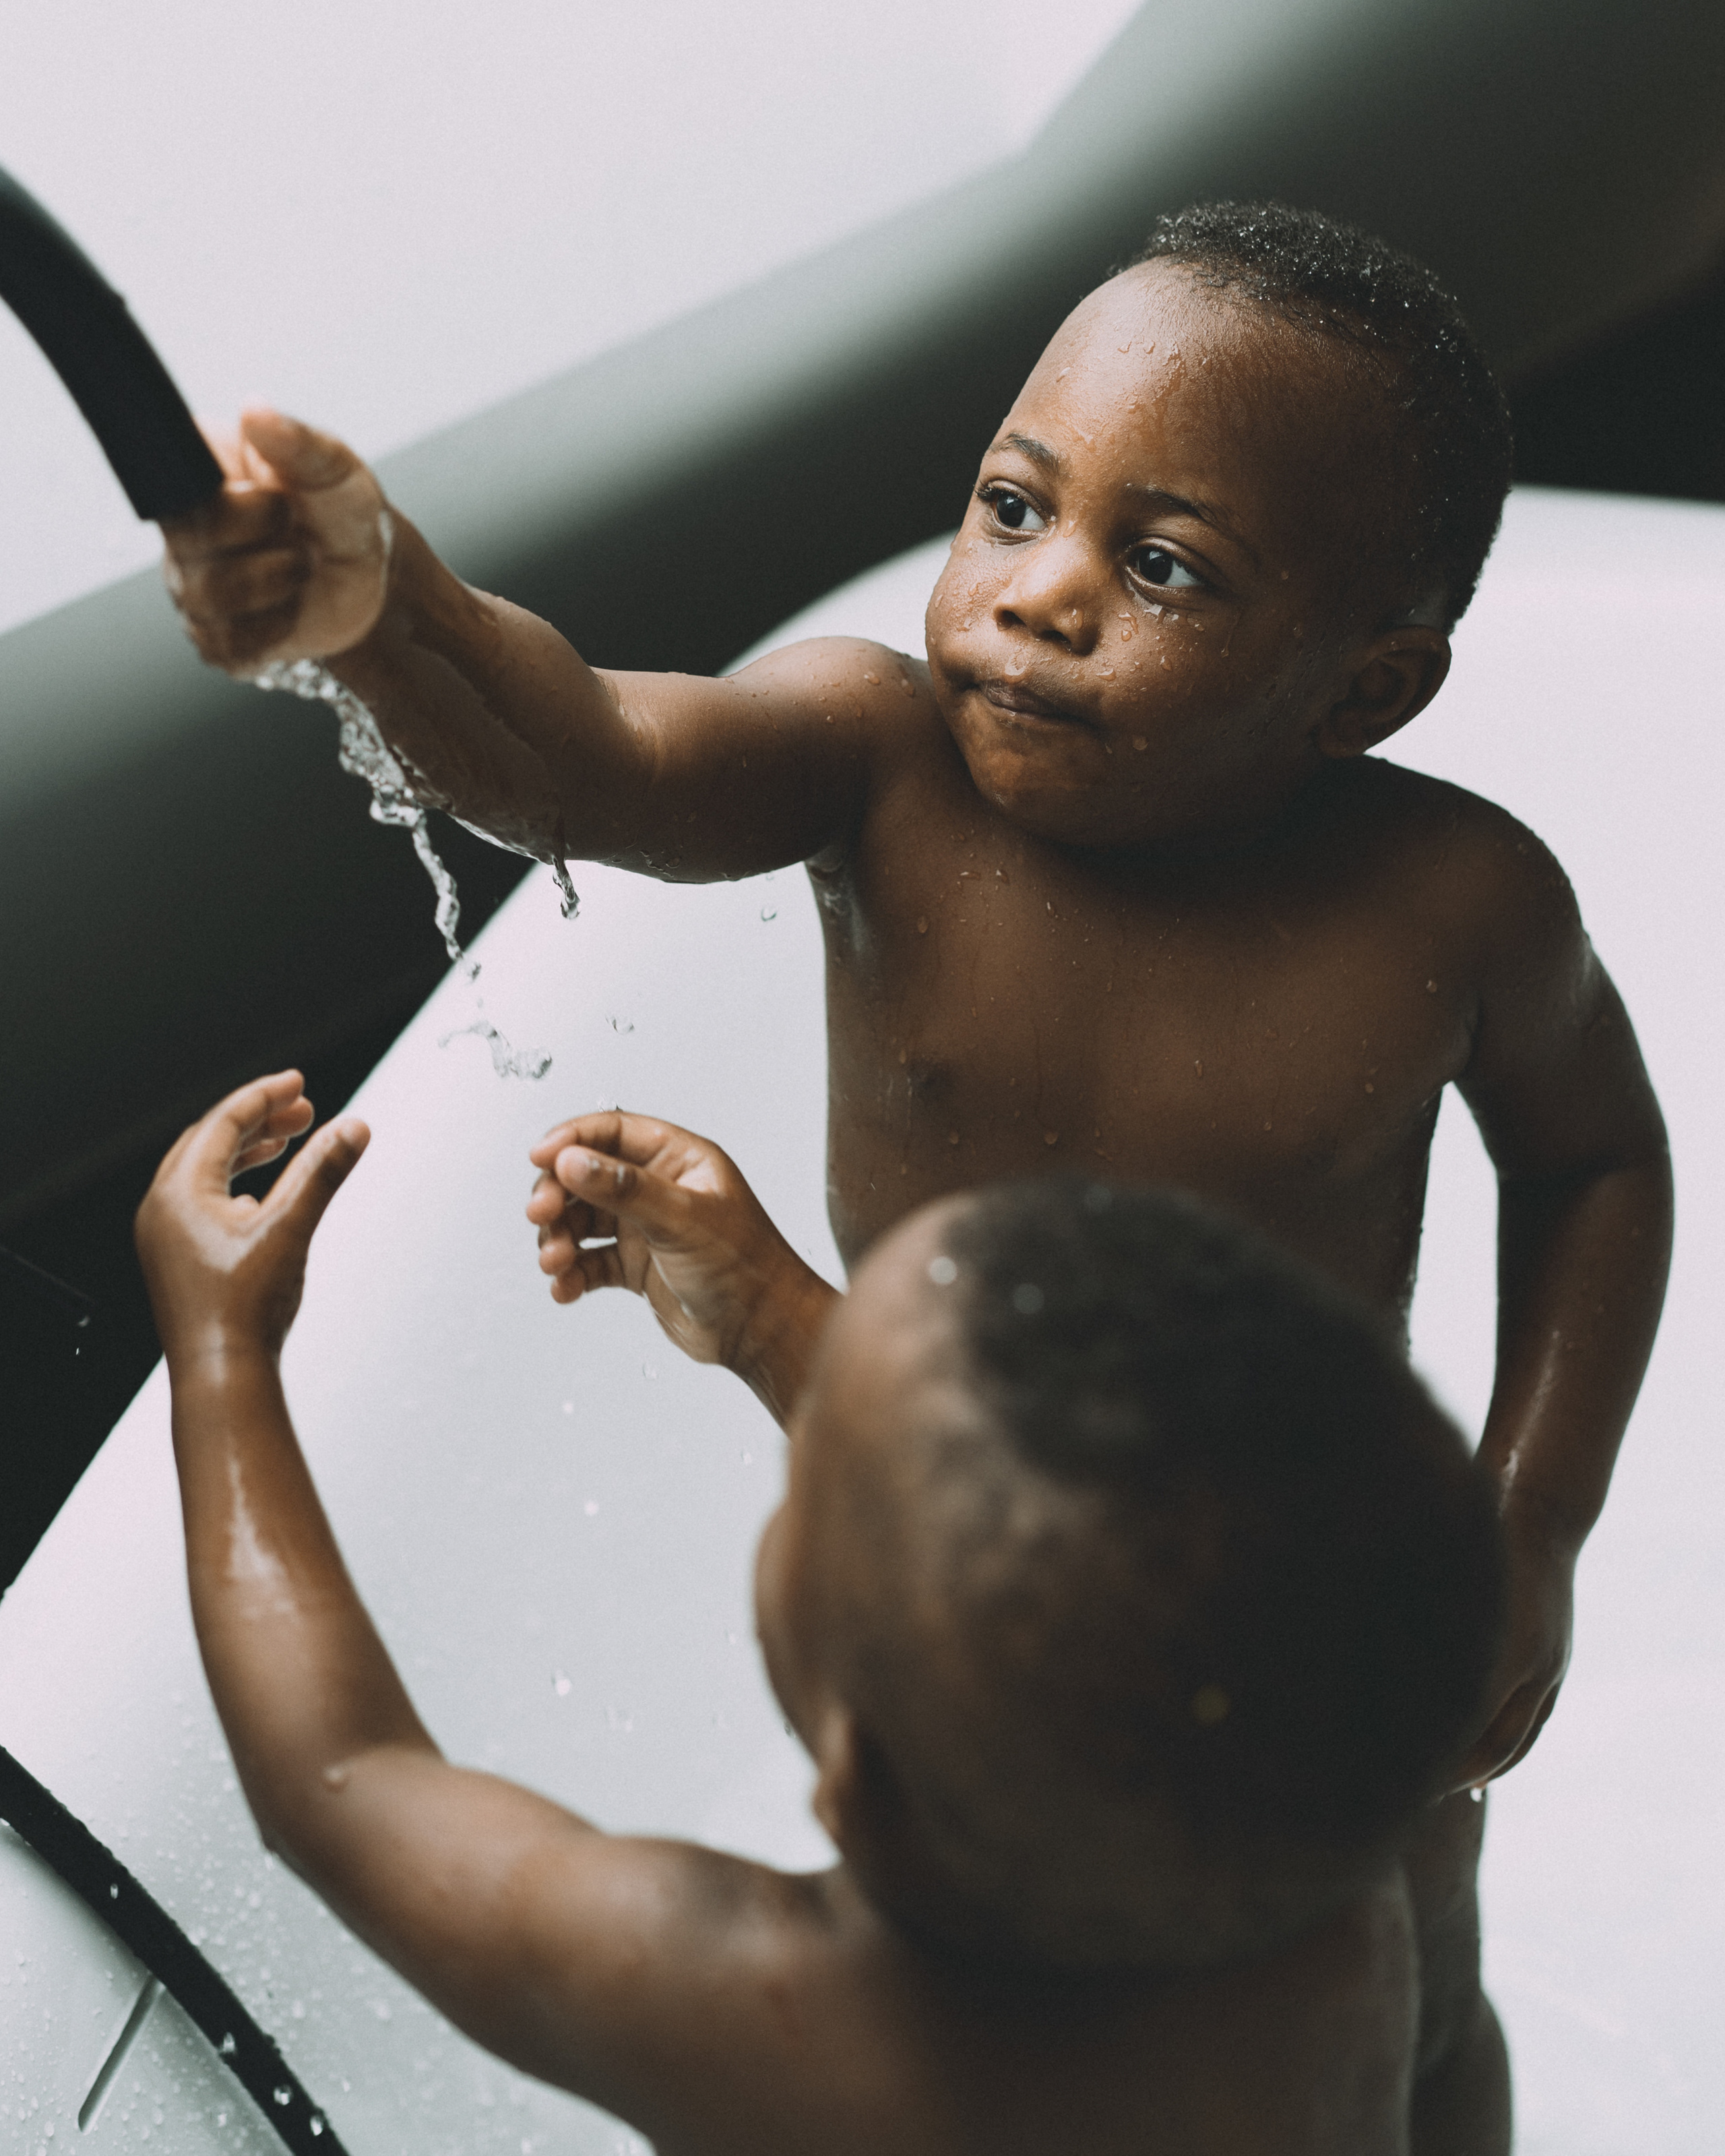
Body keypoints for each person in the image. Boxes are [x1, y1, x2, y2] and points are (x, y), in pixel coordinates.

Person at [160, 201, 1672, 2139]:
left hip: (1270, 1604)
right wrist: (393, 610)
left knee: (1439, 2016)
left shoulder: (1448, 910)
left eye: (1167, 566)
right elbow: (594, 756)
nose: (1039, 597)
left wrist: (1533, 1519)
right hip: (1241, 1627)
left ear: (1366, 691)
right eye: (1014, 504)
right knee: (1415, 2021)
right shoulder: (882, 759)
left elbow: (1596, 1161)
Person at [137, 1071, 1505, 2156]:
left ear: (848, 1779)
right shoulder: (1336, 1876)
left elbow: (340, 1780)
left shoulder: (766, 2025)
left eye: (816, 1486)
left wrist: (217, 1351)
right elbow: (1444, 2088)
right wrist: (764, 1315)